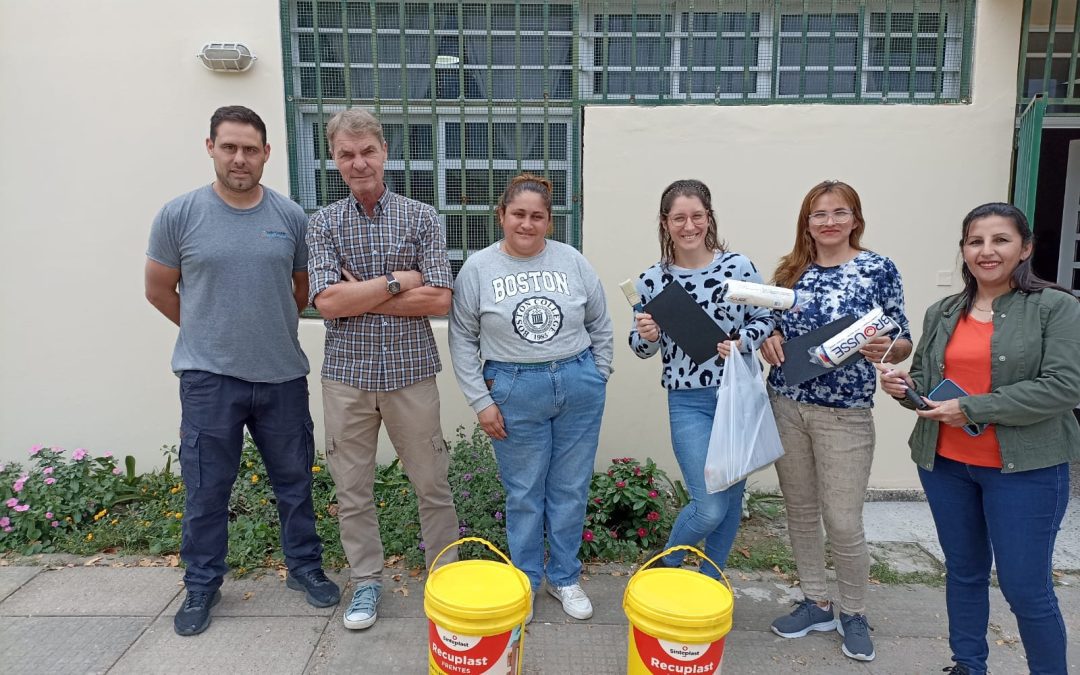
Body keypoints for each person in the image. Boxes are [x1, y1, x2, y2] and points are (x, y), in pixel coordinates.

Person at [145, 105, 339, 637]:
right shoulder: (179, 215)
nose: (239, 158)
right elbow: (159, 289)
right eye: (229, 147)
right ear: (210, 147)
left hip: (280, 376)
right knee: (207, 489)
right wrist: (207, 329)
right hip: (209, 380)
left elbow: (300, 292)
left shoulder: (289, 217)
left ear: (266, 155)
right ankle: (202, 586)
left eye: (250, 149)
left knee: (294, 482)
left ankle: (305, 568)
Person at [878, 203, 1080, 675]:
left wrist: (971, 408)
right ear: (964, 250)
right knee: (964, 573)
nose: (986, 251)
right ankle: (968, 665)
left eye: (1000, 240)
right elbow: (928, 386)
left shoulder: (1057, 306)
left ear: (1025, 248)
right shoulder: (944, 311)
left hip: (1025, 472)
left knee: (1025, 587)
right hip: (947, 465)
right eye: (975, 241)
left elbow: (1064, 387)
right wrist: (906, 389)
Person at [307, 108, 459, 631]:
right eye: (346, 154)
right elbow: (325, 303)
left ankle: (445, 578)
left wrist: (360, 294)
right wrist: (399, 279)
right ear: (334, 160)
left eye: (367, 150)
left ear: (384, 151)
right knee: (351, 489)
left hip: (411, 374)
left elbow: (440, 299)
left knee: (432, 482)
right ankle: (367, 582)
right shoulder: (323, 223)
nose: (358, 162)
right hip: (346, 378)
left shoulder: (422, 217)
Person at [448, 173, 613, 620]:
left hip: (577, 383)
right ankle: (524, 578)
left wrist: (599, 374)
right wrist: (481, 401)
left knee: (570, 489)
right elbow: (462, 338)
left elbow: (599, 321)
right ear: (501, 216)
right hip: (513, 388)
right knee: (523, 492)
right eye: (518, 214)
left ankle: (564, 578)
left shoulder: (573, 261)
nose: (527, 224)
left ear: (550, 222)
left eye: (537, 216)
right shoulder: (478, 269)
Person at [760, 179, 912, 662]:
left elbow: (902, 338)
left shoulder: (876, 269)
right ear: (806, 222)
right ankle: (815, 602)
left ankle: (855, 611)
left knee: (843, 520)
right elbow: (770, 329)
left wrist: (884, 348)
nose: (828, 222)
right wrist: (768, 339)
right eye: (818, 214)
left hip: (845, 413)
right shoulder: (789, 272)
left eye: (838, 212)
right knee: (800, 511)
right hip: (786, 403)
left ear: (855, 219)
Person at [628, 179, 776, 578]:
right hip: (688, 401)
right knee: (708, 504)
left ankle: (712, 580)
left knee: (730, 499)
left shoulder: (738, 268)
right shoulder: (652, 281)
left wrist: (744, 341)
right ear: (665, 223)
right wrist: (648, 337)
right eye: (679, 218)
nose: (689, 225)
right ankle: (665, 568)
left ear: (708, 217)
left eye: (696, 216)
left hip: (738, 396)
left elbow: (766, 318)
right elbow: (638, 347)